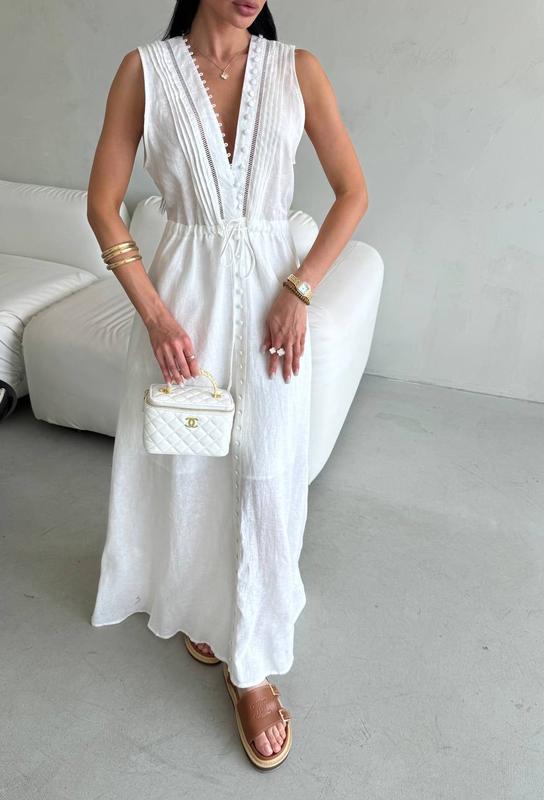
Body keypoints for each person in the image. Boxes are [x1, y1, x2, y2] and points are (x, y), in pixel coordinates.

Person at [87, 0, 367, 770]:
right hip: (180, 303)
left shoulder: (297, 69)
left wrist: (301, 289)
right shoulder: (144, 72)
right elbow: (103, 206)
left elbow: (353, 192)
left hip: (276, 303)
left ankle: (253, 666)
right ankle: (207, 605)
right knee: (190, 466)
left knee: (265, 473)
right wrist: (155, 317)